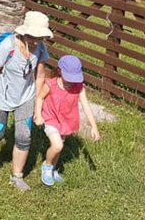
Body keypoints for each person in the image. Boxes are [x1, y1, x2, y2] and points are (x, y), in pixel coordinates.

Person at [0, 11, 52, 191]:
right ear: (24, 32)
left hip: (25, 97)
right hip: (1, 98)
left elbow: (40, 76)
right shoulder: (8, 47)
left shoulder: (40, 49)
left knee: (24, 137)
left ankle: (16, 176)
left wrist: (37, 105)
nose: (35, 41)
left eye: (40, 37)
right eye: (32, 36)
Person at [35, 55, 100, 186]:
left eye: (74, 78)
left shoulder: (79, 87)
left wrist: (94, 126)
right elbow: (39, 98)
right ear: (59, 71)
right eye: (69, 77)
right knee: (57, 145)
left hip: (66, 121)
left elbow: (86, 106)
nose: (71, 81)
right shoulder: (51, 84)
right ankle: (47, 166)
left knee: (59, 147)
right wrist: (38, 115)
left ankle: (53, 168)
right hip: (51, 118)